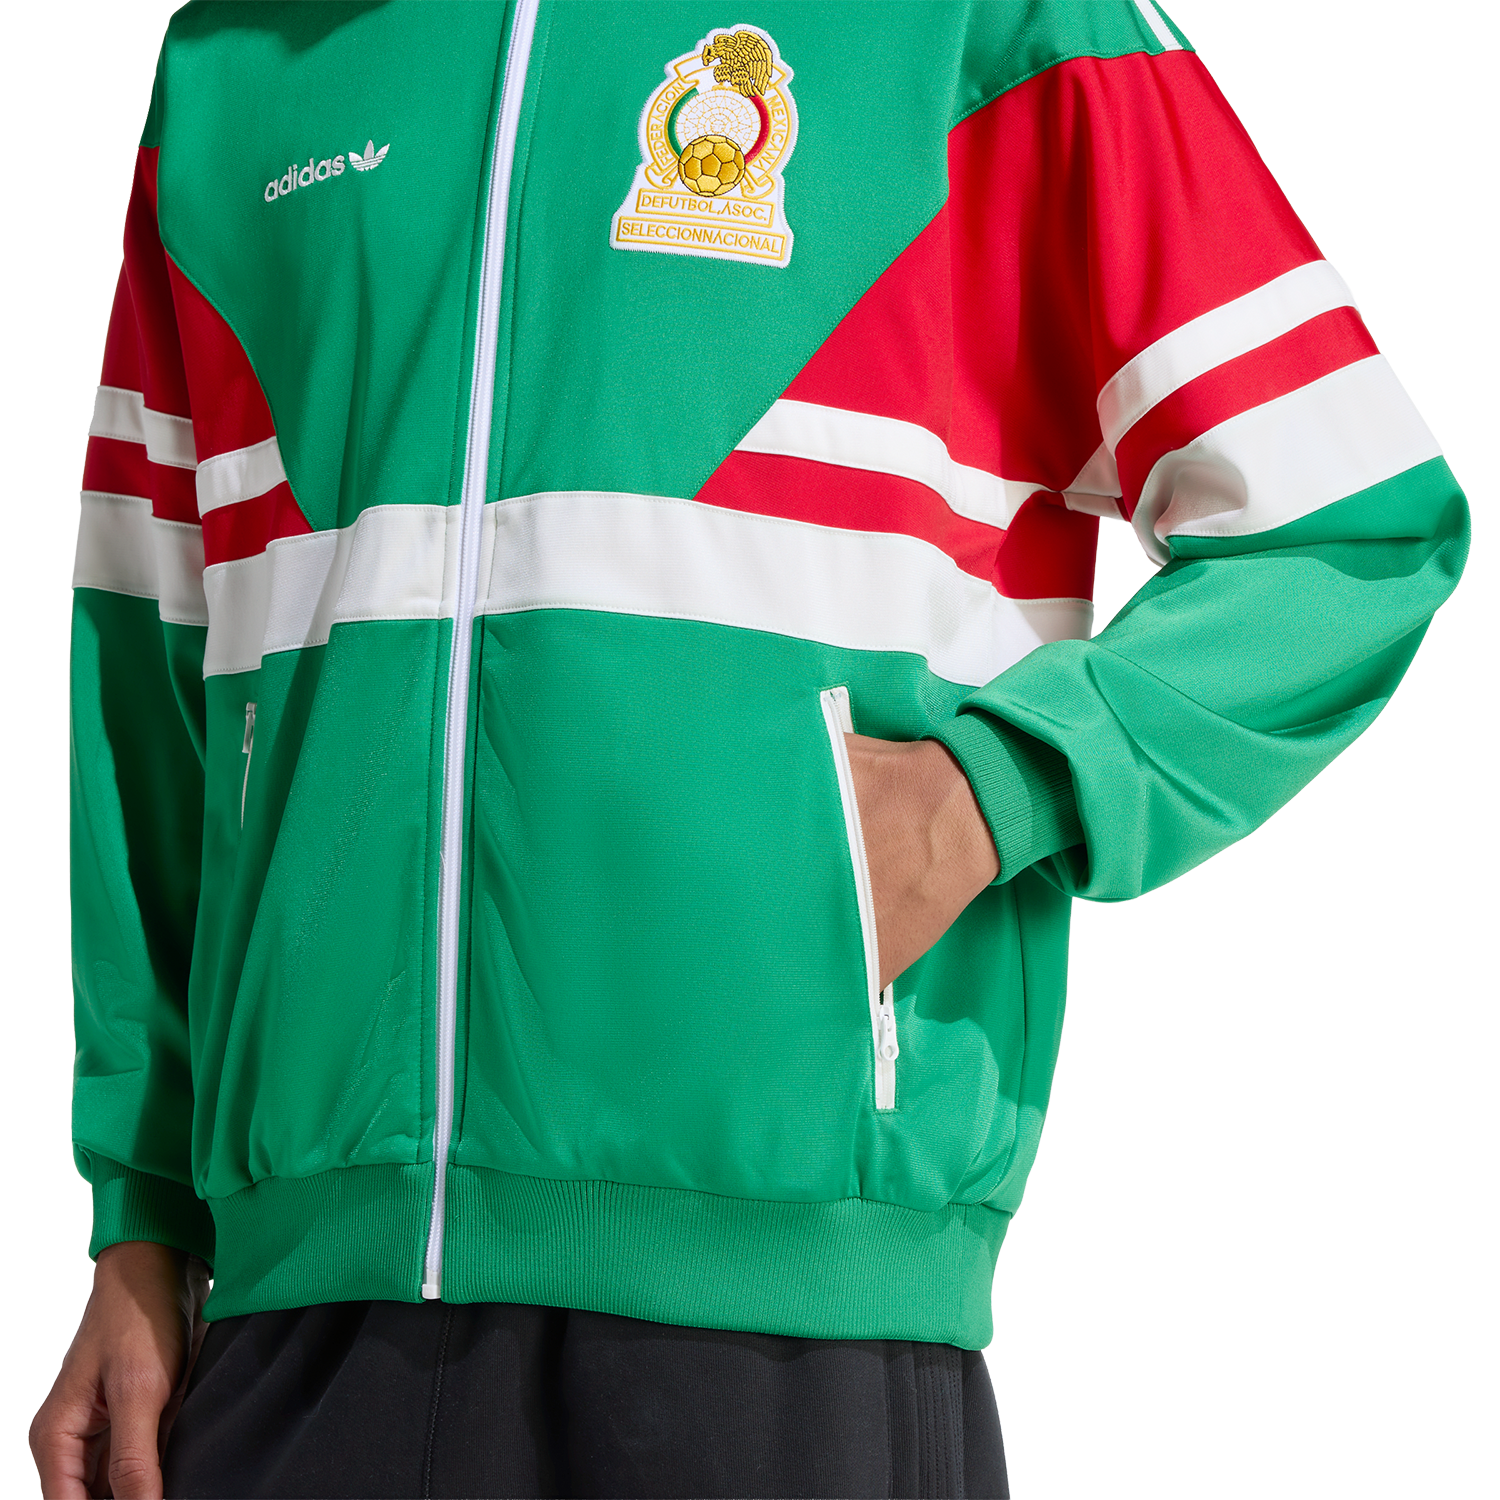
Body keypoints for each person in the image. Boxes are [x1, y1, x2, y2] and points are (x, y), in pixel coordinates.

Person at [31, 1, 1468, 1496]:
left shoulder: (987, 24)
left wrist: (982, 797)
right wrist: (142, 1228)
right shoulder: (239, 63)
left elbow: (1348, 531)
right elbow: (151, 659)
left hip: (790, 1313)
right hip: (298, 1315)